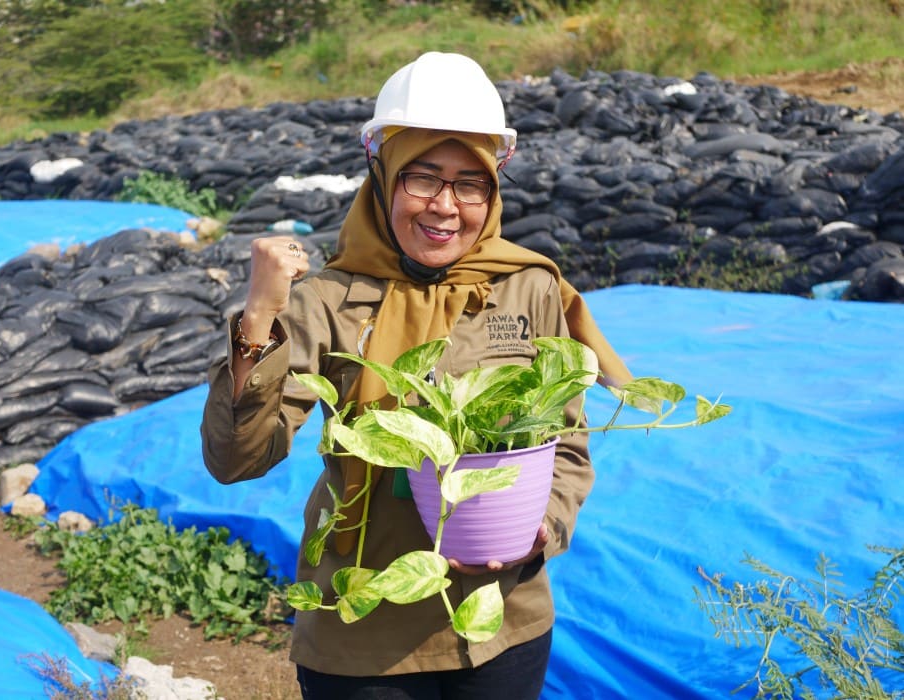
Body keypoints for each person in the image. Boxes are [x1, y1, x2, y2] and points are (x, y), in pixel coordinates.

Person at [201, 51, 632, 700]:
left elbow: (566, 443)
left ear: (493, 188)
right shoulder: (321, 301)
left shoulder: (528, 286)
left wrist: (542, 524)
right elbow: (237, 459)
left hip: (504, 620)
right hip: (364, 637)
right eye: (422, 177)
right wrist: (258, 318)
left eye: (470, 182)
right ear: (381, 176)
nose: (445, 207)